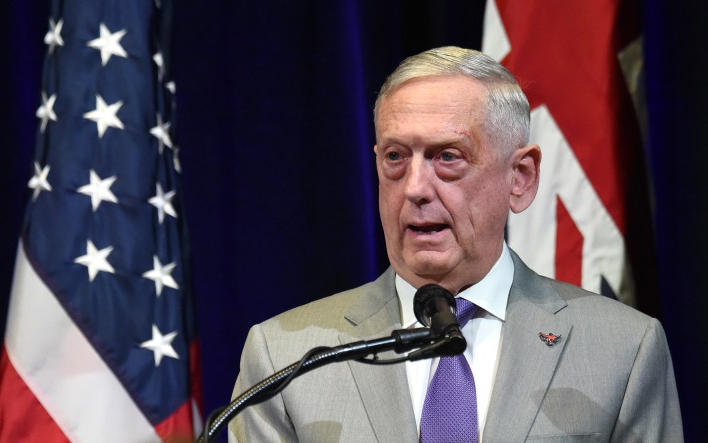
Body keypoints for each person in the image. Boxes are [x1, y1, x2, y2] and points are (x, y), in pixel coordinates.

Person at [228, 46, 682, 442]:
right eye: (395, 157)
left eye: (447, 157)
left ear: (520, 178)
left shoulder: (624, 349)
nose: (415, 188)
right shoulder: (284, 359)